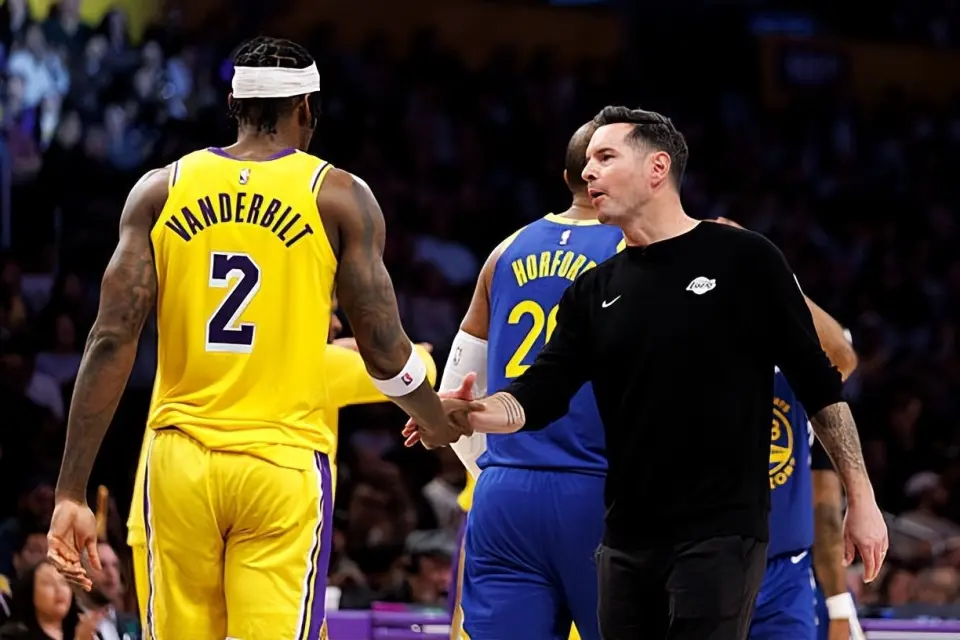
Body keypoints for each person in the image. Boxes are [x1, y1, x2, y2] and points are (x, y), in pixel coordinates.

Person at [412, 106, 889, 640]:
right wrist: (475, 413)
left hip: (719, 531)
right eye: (587, 162)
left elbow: (821, 384)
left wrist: (862, 499)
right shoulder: (594, 288)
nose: (588, 171)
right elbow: (539, 392)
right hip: (623, 533)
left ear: (657, 168)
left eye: (605, 157)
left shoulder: (744, 257)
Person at [45, 36, 462, 640]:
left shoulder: (160, 189)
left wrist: (71, 491)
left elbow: (110, 340)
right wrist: (434, 418)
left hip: (180, 462)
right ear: (307, 108)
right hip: (280, 464)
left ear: (233, 104)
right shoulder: (339, 195)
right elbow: (382, 346)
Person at [124, 298, 437, 628]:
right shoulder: (304, 361)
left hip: (166, 510)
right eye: (329, 311)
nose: (336, 324)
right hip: (256, 508)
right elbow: (417, 370)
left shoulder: (207, 341)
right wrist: (381, 349)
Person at [439, 122, 620, 640]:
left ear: (567, 177)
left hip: (505, 492)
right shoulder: (636, 251)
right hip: (599, 492)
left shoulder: (505, 250)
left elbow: (457, 387)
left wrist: (498, 467)